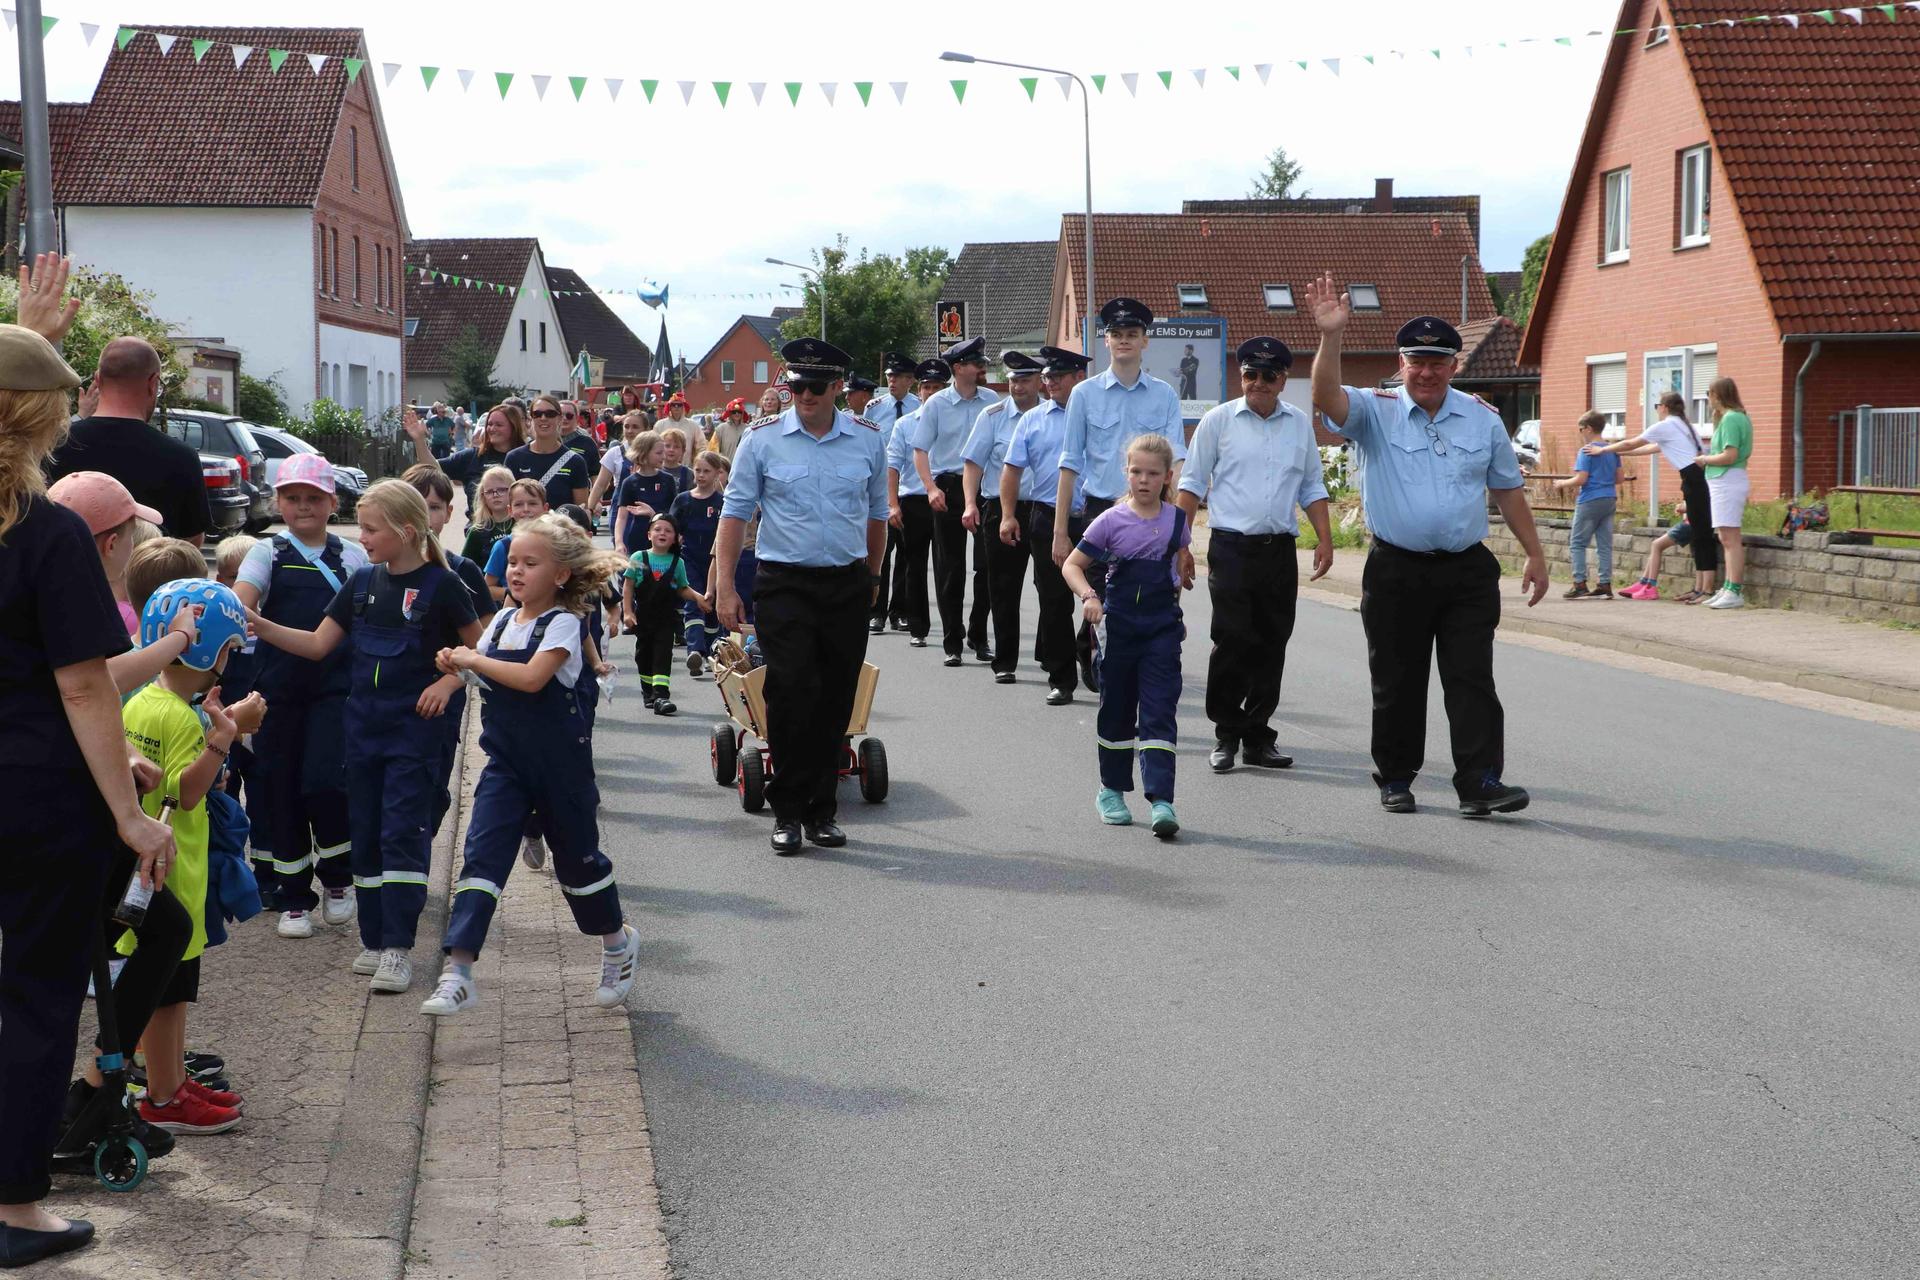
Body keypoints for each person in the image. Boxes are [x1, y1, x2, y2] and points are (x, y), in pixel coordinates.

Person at [0, 311, 174, 1267]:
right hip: (36, 797)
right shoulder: (49, 532)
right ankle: (14, 1208)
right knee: (34, 998)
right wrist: (129, 814)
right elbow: (83, 686)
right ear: (44, 422)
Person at [1306, 276, 1546, 817]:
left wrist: (1534, 552)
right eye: (1417, 361)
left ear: (1454, 366)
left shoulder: (1482, 418)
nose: (1427, 372)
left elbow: (1507, 490)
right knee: (1398, 680)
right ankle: (1396, 777)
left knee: (1472, 679)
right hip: (1396, 570)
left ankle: (1479, 781)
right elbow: (1325, 397)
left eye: (1438, 362)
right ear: (1402, 362)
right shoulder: (1375, 410)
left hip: (1466, 572)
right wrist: (1331, 337)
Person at [246, 481, 482, 994]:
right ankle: (373, 941)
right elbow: (316, 645)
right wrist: (258, 624)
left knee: (401, 835)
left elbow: (483, 651)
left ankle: (398, 948)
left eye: (371, 529)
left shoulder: (443, 585)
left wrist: (449, 681)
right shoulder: (362, 581)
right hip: (362, 731)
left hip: (415, 736)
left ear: (407, 531)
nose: (363, 537)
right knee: (368, 833)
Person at [423, 513, 637, 1018]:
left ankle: (616, 943)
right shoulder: (501, 620)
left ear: (561, 574)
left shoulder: (565, 622)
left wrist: (471, 661)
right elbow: (481, 671)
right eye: (513, 562)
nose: (516, 571)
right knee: (481, 858)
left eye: (530, 563)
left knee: (579, 865)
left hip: (561, 770)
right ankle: (458, 972)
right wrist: (451, 671)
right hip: (506, 766)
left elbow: (532, 678)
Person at [714, 338, 887, 854]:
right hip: (784, 582)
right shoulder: (762, 439)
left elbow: (877, 515)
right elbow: (735, 515)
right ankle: (787, 810)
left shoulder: (867, 440)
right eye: (796, 386)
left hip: (846, 583)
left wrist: (873, 578)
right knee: (790, 691)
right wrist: (725, 586)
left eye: (815, 386)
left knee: (836, 696)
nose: (804, 395)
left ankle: (821, 811)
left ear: (837, 387)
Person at [122, 579, 258, 1138]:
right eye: (227, 649)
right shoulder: (181, 717)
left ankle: (172, 1080)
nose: (228, 661)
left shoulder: (143, 700)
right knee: (166, 991)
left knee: (172, 989)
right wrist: (224, 739)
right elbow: (187, 791)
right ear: (206, 652)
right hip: (173, 868)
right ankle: (163, 1095)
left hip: (150, 867)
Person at [1175, 337, 1332, 773]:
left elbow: (1312, 486)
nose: (1258, 383)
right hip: (1231, 549)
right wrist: (1180, 544)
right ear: (1241, 376)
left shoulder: (1298, 423)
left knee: (1272, 642)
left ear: (1283, 380)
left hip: (1278, 550)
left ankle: (1259, 736)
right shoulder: (1218, 421)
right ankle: (1226, 734)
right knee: (1232, 640)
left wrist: (1325, 538)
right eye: (1250, 374)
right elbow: (1191, 485)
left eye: (1268, 375)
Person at [231, 454, 366, 935]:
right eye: (292, 497)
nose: (303, 506)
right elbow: (241, 601)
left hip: (335, 688)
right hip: (277, 691)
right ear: (278, 502)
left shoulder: (353, 556)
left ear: (332, 503)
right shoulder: (266, 552)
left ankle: (338, 878)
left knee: (326, 782)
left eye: (313, 497)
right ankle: (293, 898)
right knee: (280, 788)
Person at [1053, 299, 1189, 692]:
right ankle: (1098, 659)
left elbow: (1177, 462)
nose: (1124, 340)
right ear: (1107, 341)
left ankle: (1134, 670)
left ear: (1145, 341)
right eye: (1117, 334)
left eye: (1132, 334)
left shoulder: (1164, 395)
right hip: (1102, 512)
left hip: (1153, 513)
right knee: (1103, 598)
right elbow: (1069, 464)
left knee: (1149, 597)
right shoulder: (1084, 394)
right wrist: (1060, 531)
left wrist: (1181, 530)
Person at [1061, 434, 1189, 839]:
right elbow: (1072, 565)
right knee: (1117, 710)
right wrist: (1089, 597)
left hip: (1161, 630)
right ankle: (1111, 791)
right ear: (1126, 473)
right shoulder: (1110, 521)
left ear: (1167, 477)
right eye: (1136, 472)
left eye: (1152, 473)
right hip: (1118, 629)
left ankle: (1162, 799)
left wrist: (1181, 580)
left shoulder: (1178, 521)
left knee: (1159, 709)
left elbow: (1179, 563)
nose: (1144, 480)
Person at [48, 331, 215, 546]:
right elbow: (191, 540)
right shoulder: (182, 457)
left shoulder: (54, 446)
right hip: (152, 567)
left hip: (68, 566)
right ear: (153, 383)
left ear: (98, 379)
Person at [403, 464, 496, 837]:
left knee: (430, 792)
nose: (425, 516)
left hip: (437, 708)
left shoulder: (462, 571)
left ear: (449, 513)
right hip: (383, 704)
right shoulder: (373, 570)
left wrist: (452, 681)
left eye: (434, 507)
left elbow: (487, 644)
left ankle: (418, 857)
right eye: (415, 505)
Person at [1004, 345, 1091, 705]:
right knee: (1054, 601)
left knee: (1102, 595)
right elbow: (1012, 469)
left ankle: (1088, 649)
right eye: (1047, 376)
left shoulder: (1095, 414)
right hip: (1047, 517)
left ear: (1078, 377)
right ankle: (1061, 678)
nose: (1050, 382)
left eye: (1058, 376)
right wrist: (1008, 514)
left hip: (1095, 517)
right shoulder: (1033, 420)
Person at [912, 335, 1001, 667]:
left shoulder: (991, 400)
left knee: (987, 566)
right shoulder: (936, 404)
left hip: (985, 488)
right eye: (976, 363)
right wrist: (930, 488)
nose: (981, 368)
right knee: (950, 569)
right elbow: (920, 450)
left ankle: (979, 633)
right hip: (948, 488)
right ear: (959, 368)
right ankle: (953, 641)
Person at [1587, 392, 1717, 602]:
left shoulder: (1666, 425)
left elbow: (1632, 442)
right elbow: (1651, 447)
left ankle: (1707, 590)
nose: (1657, 410)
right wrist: (1617, 452)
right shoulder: (1683, 425)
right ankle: (1699, 589)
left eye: (1658, 406)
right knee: (1698, 535)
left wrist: (1602, 450)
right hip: (1697, 479)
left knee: (1702, 537)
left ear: (1664, 407)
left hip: (1694, 480)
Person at [964, 350, 1044, 683]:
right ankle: (1006, 661)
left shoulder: (1053, 414)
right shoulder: (992, 416)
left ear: (1039, 381)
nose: (1017, 387)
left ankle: (1049, 654)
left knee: (1049, 587)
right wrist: (970, 504)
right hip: (1001, 509)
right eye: (1013, 380)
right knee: (1003, 588)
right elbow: (973, 463)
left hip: (1043, 509)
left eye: (1025, 380)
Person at [46, 471, 162, 637]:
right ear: (111, 544)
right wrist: (180, 636)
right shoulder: (98, 619)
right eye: (131, 535)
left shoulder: (49, 600)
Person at [622, 515, 705, 715]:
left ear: (675, 538)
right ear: (648, 534)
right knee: (643, 656)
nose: (662, 533)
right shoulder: (638, 558)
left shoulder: (678, 562)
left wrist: (698, 597)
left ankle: (661, 696)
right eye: (658, 529)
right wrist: (627, 612)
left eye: (668, 531)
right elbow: (628, 587)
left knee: (662, 655)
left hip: (666, 620)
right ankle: (648, 693)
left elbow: (682, 588)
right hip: (643, 619)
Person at [886, 361, 944, 647]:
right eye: (926, 387)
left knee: (947, 568)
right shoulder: (905, 424)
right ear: (919, 391)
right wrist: (892, 504)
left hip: (945, 498)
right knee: (915, 565)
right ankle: (918, 626)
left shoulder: (952, 420)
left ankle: (952, 630)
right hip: (913, 500)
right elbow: (893, 466)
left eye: (936, 387)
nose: (930, 392)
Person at [865, 354, 920, 634]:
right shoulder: (874, 408)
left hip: (909, 488)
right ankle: (876, 611)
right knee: (881, 552)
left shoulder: (920, 408)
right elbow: (865, 446)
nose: (892, 381)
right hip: (879, 489)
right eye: (889, 376)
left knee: (907, 555)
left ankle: (900, 611)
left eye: (898, 377)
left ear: (910, 381)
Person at [410, 402, 526, 517]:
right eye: (489, 424)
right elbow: (432, 467)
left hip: (520, 527)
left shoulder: (524, 457)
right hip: (479, 527)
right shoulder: (473, 456)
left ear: (513, 427)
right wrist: (419, 439)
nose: (492, 428)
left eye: (499, 425)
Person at [668, 451, 728, 675]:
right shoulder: (683, 500)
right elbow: (672, 528)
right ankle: (694, 650)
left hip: (715, 560)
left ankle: (710, 653)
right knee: (694, 601)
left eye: (706, 471)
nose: (701, 475)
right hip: (689, 559)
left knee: (711, 607)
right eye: (698, 470)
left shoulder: (722, 502)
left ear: (717, 474)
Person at [1698, 378, 1753, 610]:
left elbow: (1730, 455)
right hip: (1725, 480)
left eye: (1709, 393)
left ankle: (1734, 589)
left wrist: (1705, 459)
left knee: (1730, 538)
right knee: (1725, 536)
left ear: (1717, 395)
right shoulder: (1733, 417)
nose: (1708, 399)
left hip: (1727, 479)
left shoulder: (1731, 418)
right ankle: (1729, 586)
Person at [1554, 411, 1622, 599]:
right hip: (1609, 498)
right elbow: (1620, 478)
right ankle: (1605, 584)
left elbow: (1581, 479)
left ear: (1589, 429)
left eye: (1581, 429)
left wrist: (1562, 483)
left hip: (1590, 499)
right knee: (1604, 544)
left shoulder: (1586, 451)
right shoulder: (1612, 450)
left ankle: (1579, 583)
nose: (1580, 432)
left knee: (1577, 542)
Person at [507, 394, 594, 511]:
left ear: (559, 418)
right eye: (537, 414)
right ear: (531, 418)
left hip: (562, 523)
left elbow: (580, 511)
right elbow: (508, 504)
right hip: (524, 523)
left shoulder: (575, 461)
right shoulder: (514, 458)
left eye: (550, 414)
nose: (543, 418)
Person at [485, 480, 551, 603]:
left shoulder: (553, 543)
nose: (526, 509)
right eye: (518, 504)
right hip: (515, 609)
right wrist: (512, 593)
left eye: (532, 503)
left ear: (545, 508)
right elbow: (487, 588)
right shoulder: (503, 546)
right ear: (510, 510)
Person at [614, 430, 678, 557]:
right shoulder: (630, 482)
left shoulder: (668, 480)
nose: (663, 457)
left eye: (663, 452)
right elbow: (621, 517)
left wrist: (652, 514)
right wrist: (619, 542)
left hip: (663, 541)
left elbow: (673, 515)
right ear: (643, 454)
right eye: (658, 453)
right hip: (638, 539)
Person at [460, 466, 518, 567]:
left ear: (513, 492)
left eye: (502, 490)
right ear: (483, 496)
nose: (495, 495)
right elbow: (465, 568)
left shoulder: (524, 525)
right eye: (490, 492)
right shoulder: (477, 532)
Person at [558, 400, 602, 475]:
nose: (564, 418)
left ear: (577, 418)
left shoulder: (587, 442)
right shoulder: (545, 440)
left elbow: (595, 474)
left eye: (569, 416)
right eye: (561, 415)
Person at [659, 425, 696, 494]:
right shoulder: (654, 471)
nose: (671, 450)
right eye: (667, 446)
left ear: (683, 451)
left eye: (676, 447)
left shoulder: (689, 474)